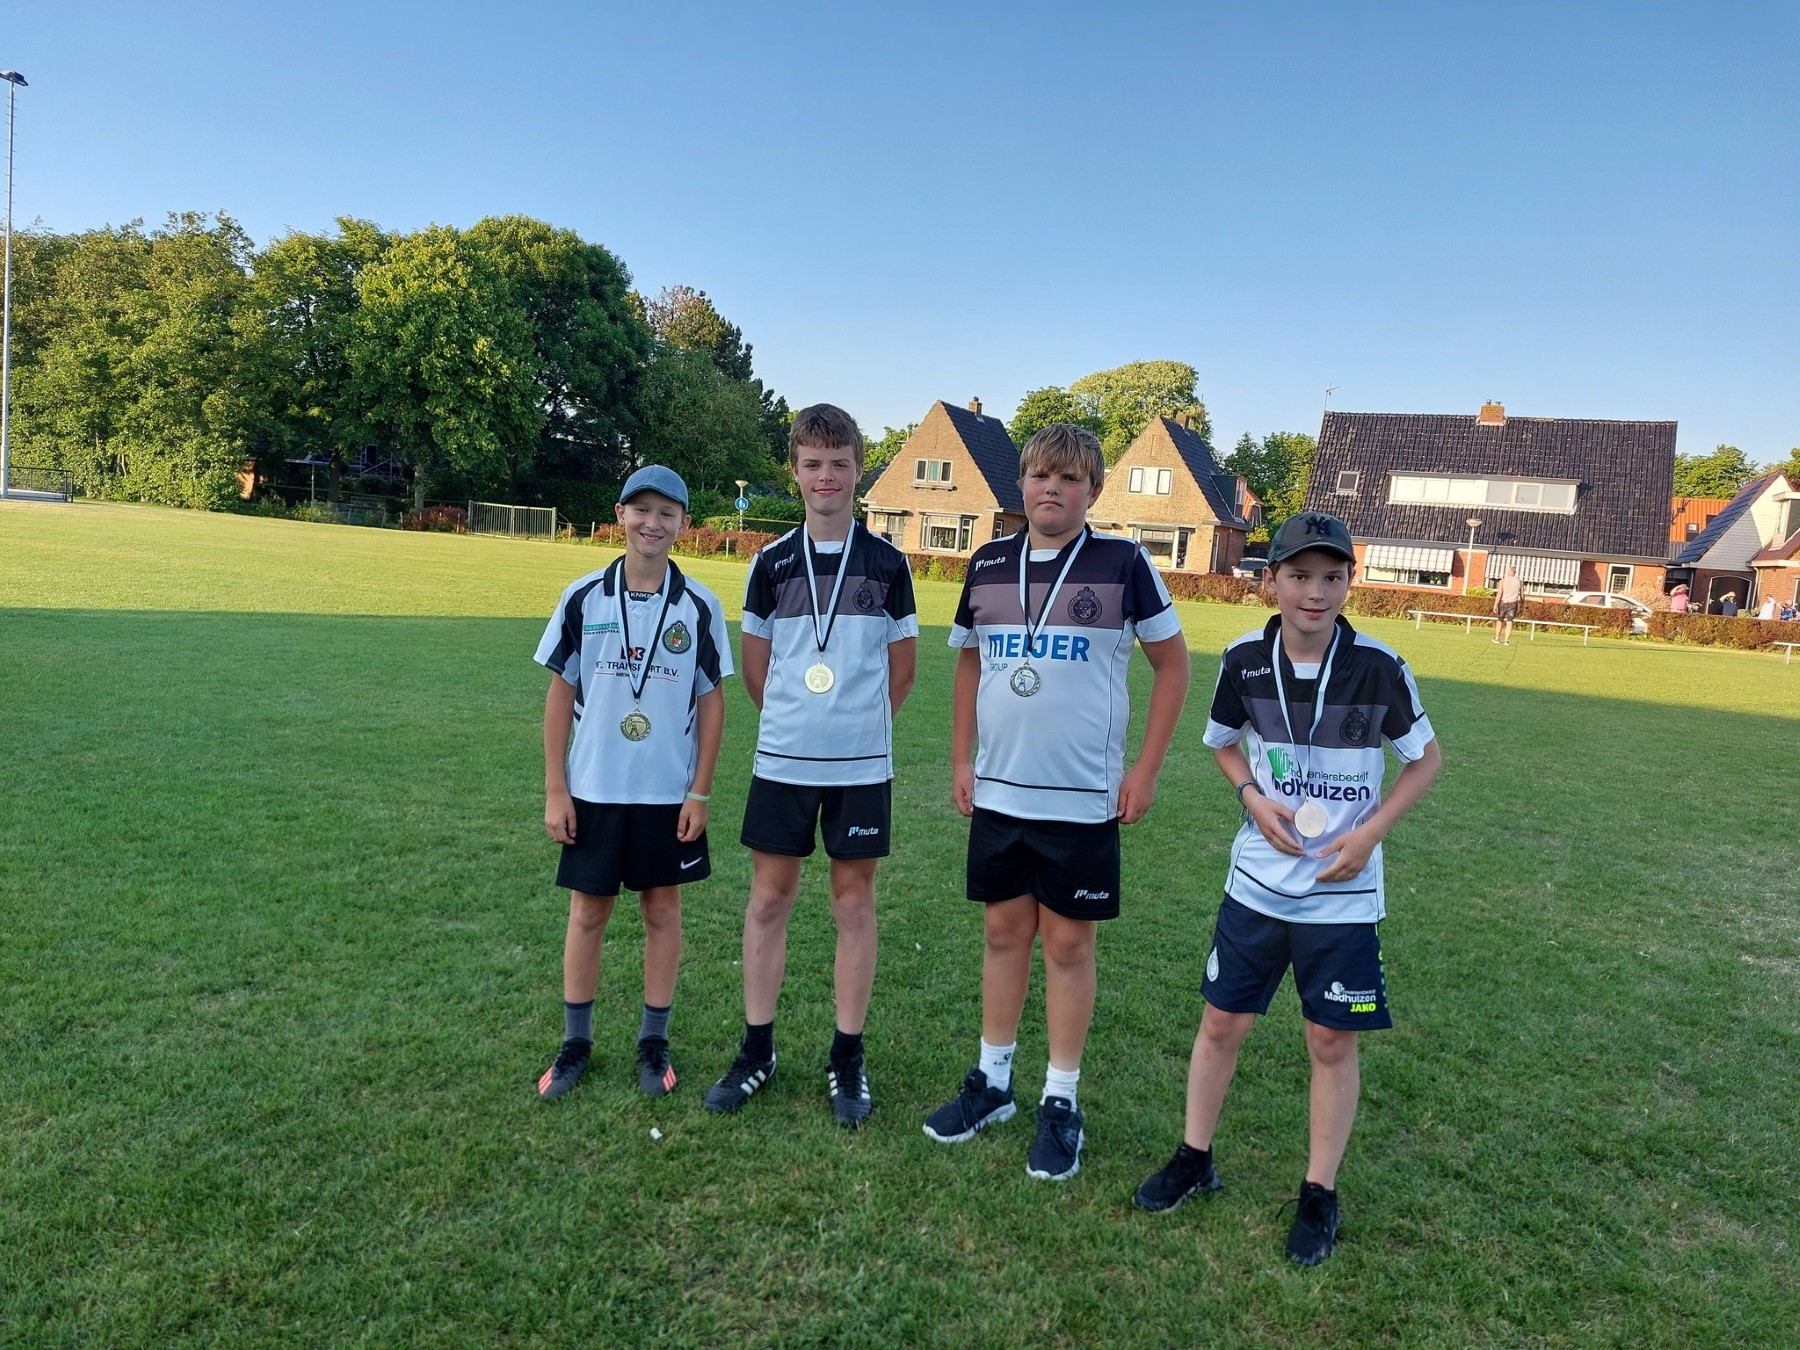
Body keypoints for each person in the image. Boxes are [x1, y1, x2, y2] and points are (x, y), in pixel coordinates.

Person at [1131, 511, 1442, 1266]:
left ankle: (1319, 1192)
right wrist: (1250, 796)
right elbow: (1221, 744)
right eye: (1300, 576)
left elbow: (1425, 759)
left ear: (1349, 583)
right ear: (1271, 580)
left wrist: (1369, 833)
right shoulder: (1244, 659)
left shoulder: (1378, 665)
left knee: (1330, 1040)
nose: (1316, 592)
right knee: (1220, 1025)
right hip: (1258, 885)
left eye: (1332, 577)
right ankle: (1194, 1158)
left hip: (1342, 890)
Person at [922, 423, 1191, 1181]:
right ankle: (992, 1083)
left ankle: (1061, 1099)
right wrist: (960, 758)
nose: (1053, 488)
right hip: (1002, 790)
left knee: (1069, 946)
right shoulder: (988, 562)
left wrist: (1146, 770)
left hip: (1082, 797)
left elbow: (1173, 666)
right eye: (1041, 474)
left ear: (1092, 491)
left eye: (1070, 478)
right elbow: (969, 663)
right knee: (1003, 933)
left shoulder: (1125, 563)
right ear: (1021, 483)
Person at [704, 405, 918, 1127]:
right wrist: (800, 723)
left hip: (861, 767)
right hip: (783, 761)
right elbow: (756, 668)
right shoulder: (770, 563)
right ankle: (757, 1049)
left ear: (859, 471)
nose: (827, 476)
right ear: (794, 471)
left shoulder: (888, 564)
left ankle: (846, 1057)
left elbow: (903, 669)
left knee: (854, 906)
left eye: (840, 463)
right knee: (768, 900)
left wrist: (854, 727)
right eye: (813, 463)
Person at [533, 465, 732, 1102]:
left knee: (662, 910)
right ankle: (575, 1043)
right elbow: (559, 695)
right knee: (588, 911)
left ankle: (653, 1040)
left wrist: (700, 791)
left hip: (666, 794)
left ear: (683, 524)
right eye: (641, 509)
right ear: (620, 514)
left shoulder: (699, 605)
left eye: (667, 512)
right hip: (593, 788)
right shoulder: (583, 597)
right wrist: (556, 788)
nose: (653, 522)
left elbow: (712, 702)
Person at [1492, 565, 1523, 645]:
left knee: (1500, 620)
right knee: (1509, 621)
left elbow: (1499, 593)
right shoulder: (1520, 582)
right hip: (1513, 604)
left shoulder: (1503, 581)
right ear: (1515, 572)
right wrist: (1522, 604)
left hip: (1504, 602)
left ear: (1509, 571)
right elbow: (1522, 595)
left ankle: (1497, 638)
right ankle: (1506, 640)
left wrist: (1496, 605)